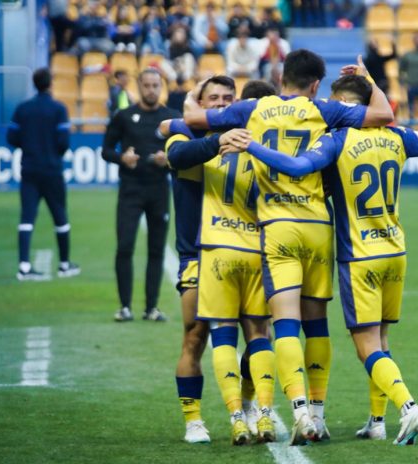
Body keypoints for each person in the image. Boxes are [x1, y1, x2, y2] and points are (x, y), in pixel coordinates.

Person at [224, 73, 418, 446]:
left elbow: (299, 167)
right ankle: (377, 421)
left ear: (343, 103)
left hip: (359, 256)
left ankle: (408, 406)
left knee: (366, 344)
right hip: (396, 251)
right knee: (381, 340)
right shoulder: (399, 135)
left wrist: (252, 145)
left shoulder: (337, 138)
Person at [183, 49, 394, 445]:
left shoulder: (252, 108)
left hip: (275, 228)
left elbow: (192, 117)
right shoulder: (325, 109)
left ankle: (295, 409)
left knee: (282, 324)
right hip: (318, 225)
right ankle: (318, 412)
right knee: (316, 324)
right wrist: (369, 80)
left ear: (282, 76)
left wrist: (194, 93)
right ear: (315, 84)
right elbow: (384, 115)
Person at [164, 78, 279, 445]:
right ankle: (193, 419)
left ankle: (246, 407)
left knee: (258, 335)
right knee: (195, 337)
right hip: (197, 255)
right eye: (213, 99)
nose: (221, 104)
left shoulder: (254, 142)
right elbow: (177, 155)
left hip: (248, 252)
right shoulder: (185, 137)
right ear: (199, 105)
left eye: (228, 99)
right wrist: (215, 141)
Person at [101, 68, 181, 323]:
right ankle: (125, 306)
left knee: (156, 249)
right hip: (130, 190)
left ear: (162, 87)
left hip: (159, 190)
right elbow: (105, 150)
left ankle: (151, 308)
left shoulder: (172, 118)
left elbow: (183, 154)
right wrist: (122, 158)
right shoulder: (124, 116)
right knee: (125, 247)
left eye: (155, 85)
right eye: (146, 85)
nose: (151, 90)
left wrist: (167, 159)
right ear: (139, 86)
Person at [7, 68, 80, 281]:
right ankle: (64, 265)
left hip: (29, 169)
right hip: (52, 170)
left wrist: (29, 145)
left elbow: (11, 138)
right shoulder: (58, 109)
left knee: (27, 218)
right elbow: (63, 142)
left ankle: (23, 266)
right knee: (60, 218)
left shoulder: (23, 109)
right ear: (50, 84)